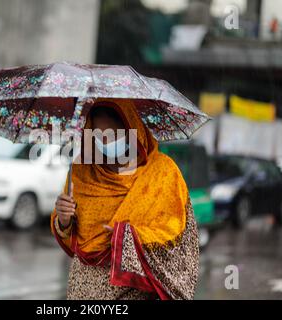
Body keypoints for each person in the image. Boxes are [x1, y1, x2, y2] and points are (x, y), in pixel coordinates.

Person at [51, 98, 199, 300]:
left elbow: (176, 241)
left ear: (132, 131)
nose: (105, 143)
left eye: (112, 136)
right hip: (82, 291)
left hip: (133, 293)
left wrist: (126, 237)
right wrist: (63, 220)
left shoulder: (163, 173)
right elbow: (72, 237)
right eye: (98, 136)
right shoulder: (82, 172)